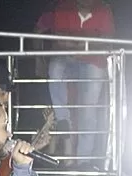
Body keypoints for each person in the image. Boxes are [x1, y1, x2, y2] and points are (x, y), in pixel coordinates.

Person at [35, 0, 114, 166]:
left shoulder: (103, 11)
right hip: (68, 58)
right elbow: (58, 39)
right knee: (55, 67)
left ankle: (83, 161)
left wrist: (80, 44)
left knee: (88, 112)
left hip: (93, 61)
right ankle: (62, 119)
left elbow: (108, 40)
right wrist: (88, 42)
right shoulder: (64, 8)